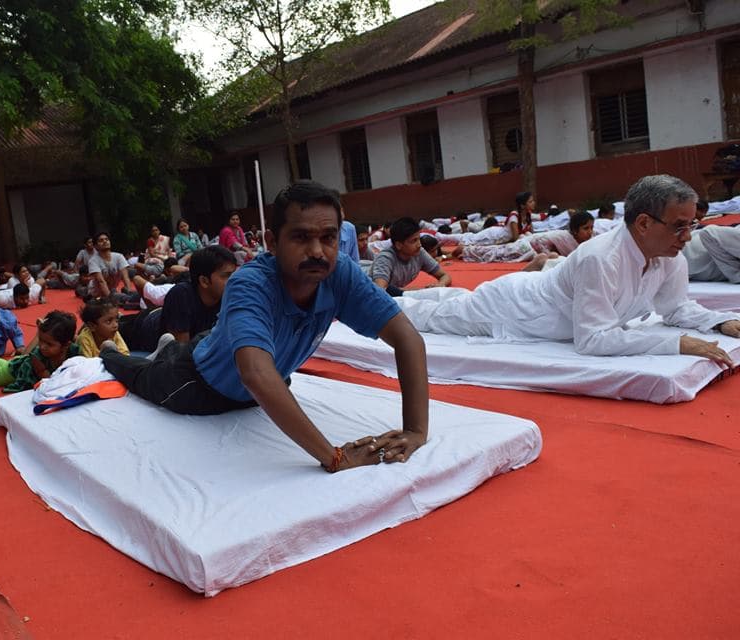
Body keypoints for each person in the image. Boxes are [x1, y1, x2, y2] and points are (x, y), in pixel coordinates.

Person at [98, 180, 431, 473]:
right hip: (196, 381)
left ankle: (169, 345)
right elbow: (255, 374)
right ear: (272, 242)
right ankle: (113, 350)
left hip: (237, 362)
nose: (317, 251)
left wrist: (415, 431)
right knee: (139, 373)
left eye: (328, 238)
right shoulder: (250, 284)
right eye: (301, 237)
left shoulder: (340, 273)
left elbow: (409, 341)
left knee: (201, 346)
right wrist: (335, 457)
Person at [400, 175, 740, 365]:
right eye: (680, 226)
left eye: (692, 225)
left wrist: (718, 321)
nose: (688, 237)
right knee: (431, 318)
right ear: (644, 223)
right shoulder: (601, 258)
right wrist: (675, 344)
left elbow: (675, 308)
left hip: (529, 295)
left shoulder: (671, 257)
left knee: (452, 302)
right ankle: (389, 302)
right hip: (510, 308)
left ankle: (422, 296)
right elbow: (592, 340)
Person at [371, 217, 452, 295]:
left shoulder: (419, 252)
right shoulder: (385, 258)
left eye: (418, 239)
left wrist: (441, 284)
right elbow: (380, 291)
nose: (419, 244)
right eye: (414, 241)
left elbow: (445, 275)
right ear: (399, 245)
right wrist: (419, 291)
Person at [88, 231, 136, 300]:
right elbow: (101, 282)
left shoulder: (119, 256)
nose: (105, 241)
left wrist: (129, 292)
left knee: (129, 296)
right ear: (96, 246)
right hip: (97, 292)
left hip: (112, 290)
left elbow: (125, 277)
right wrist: (110, 301)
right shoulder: (93, 261)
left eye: (106, 239)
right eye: (101, 240)